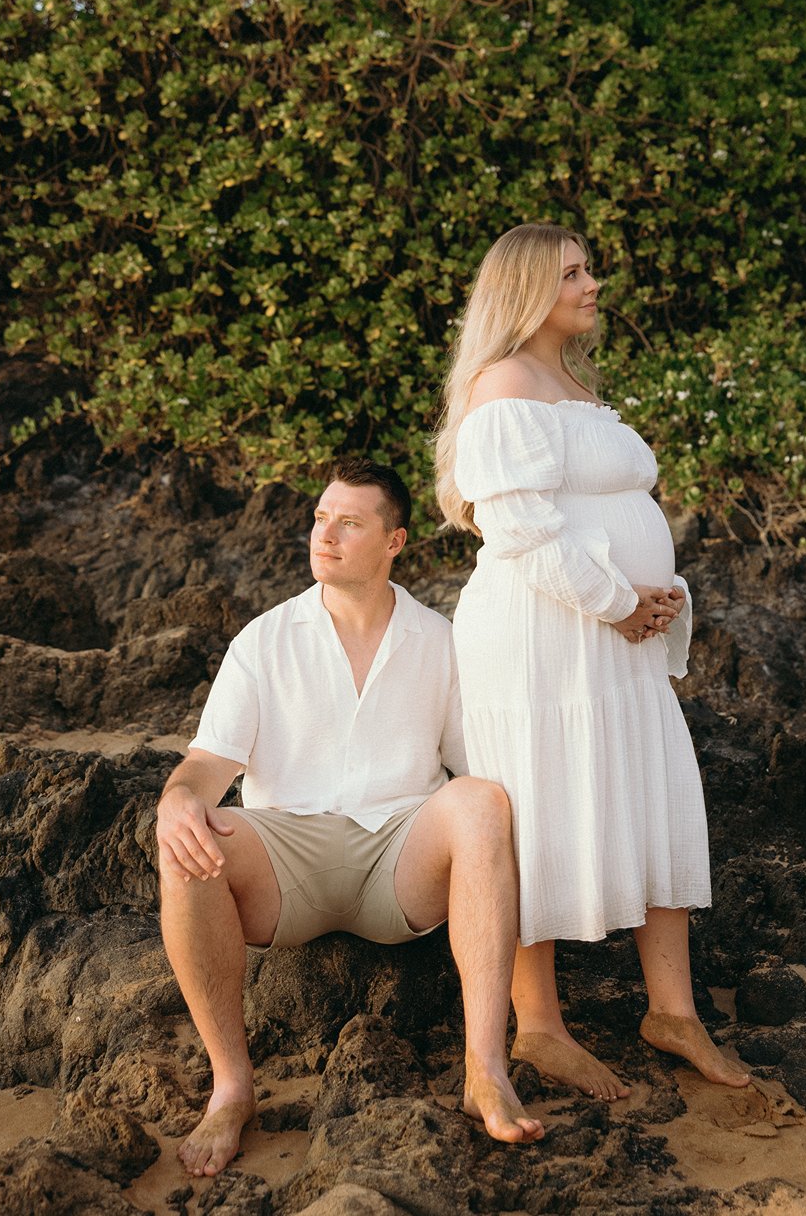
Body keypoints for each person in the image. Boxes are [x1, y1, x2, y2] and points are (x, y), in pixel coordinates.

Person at [155, 455, 544, 1179]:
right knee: (185, 840)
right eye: (320, 518)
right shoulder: (264, 640)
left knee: (484, 802)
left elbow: (477, 765)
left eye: (348, 523)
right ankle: (233, 1089)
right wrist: (179, 798)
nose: (324, 535)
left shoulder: (440, 640)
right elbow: (209, 763)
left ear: (394, 542)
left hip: (399, 860)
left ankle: (484, 1069)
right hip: (285, 863)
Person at [434, 224, 751, 1102]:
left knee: (648, 789)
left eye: (588, 268)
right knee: (531, 804)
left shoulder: (573, 385)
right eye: (572, 272)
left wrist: (659, 592)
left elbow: (600, 511)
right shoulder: (503, 388)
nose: (592, 283)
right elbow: (522, 531)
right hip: (543, 640)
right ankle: (537, 1027)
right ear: (529, 289)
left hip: (613, 641)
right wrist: (618, 601)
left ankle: (672, 1011)